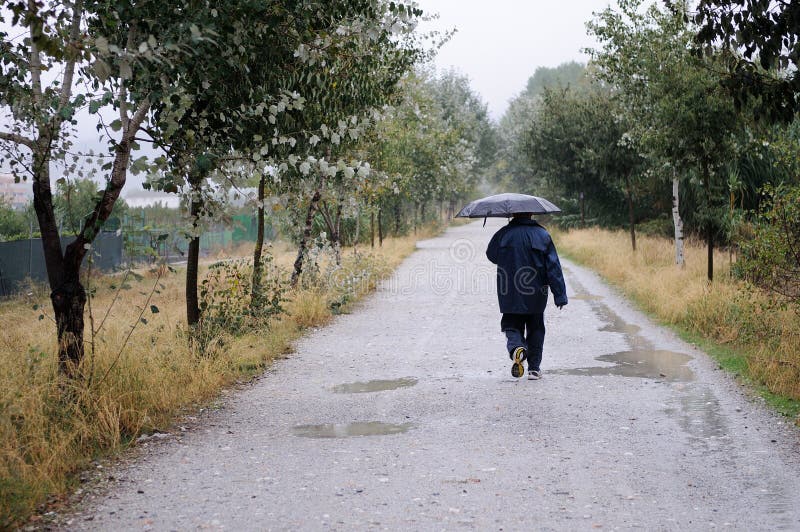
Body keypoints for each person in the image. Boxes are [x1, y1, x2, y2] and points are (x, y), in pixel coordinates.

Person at [486, 212, 567, 379]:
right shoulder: (542, 234)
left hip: (509, 290)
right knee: (536, 327)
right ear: (531, 213)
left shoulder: (504, 233)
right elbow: (553, 267)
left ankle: (516, 348)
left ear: (513, 213)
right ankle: (534, 369)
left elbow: (491, 255)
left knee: (511, 324)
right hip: (537, 290)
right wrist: (559, 295)